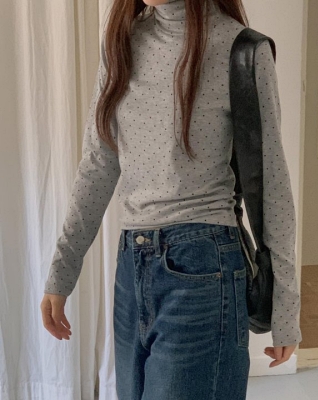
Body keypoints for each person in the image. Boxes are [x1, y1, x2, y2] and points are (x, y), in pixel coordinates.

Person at [40, 0, 302, 398]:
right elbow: (99, 163)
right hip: (131, 265)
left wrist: (285, 305)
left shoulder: (240, 48)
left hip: (203, 267)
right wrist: (62, 271)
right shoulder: (122, 43)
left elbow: (272, 180)